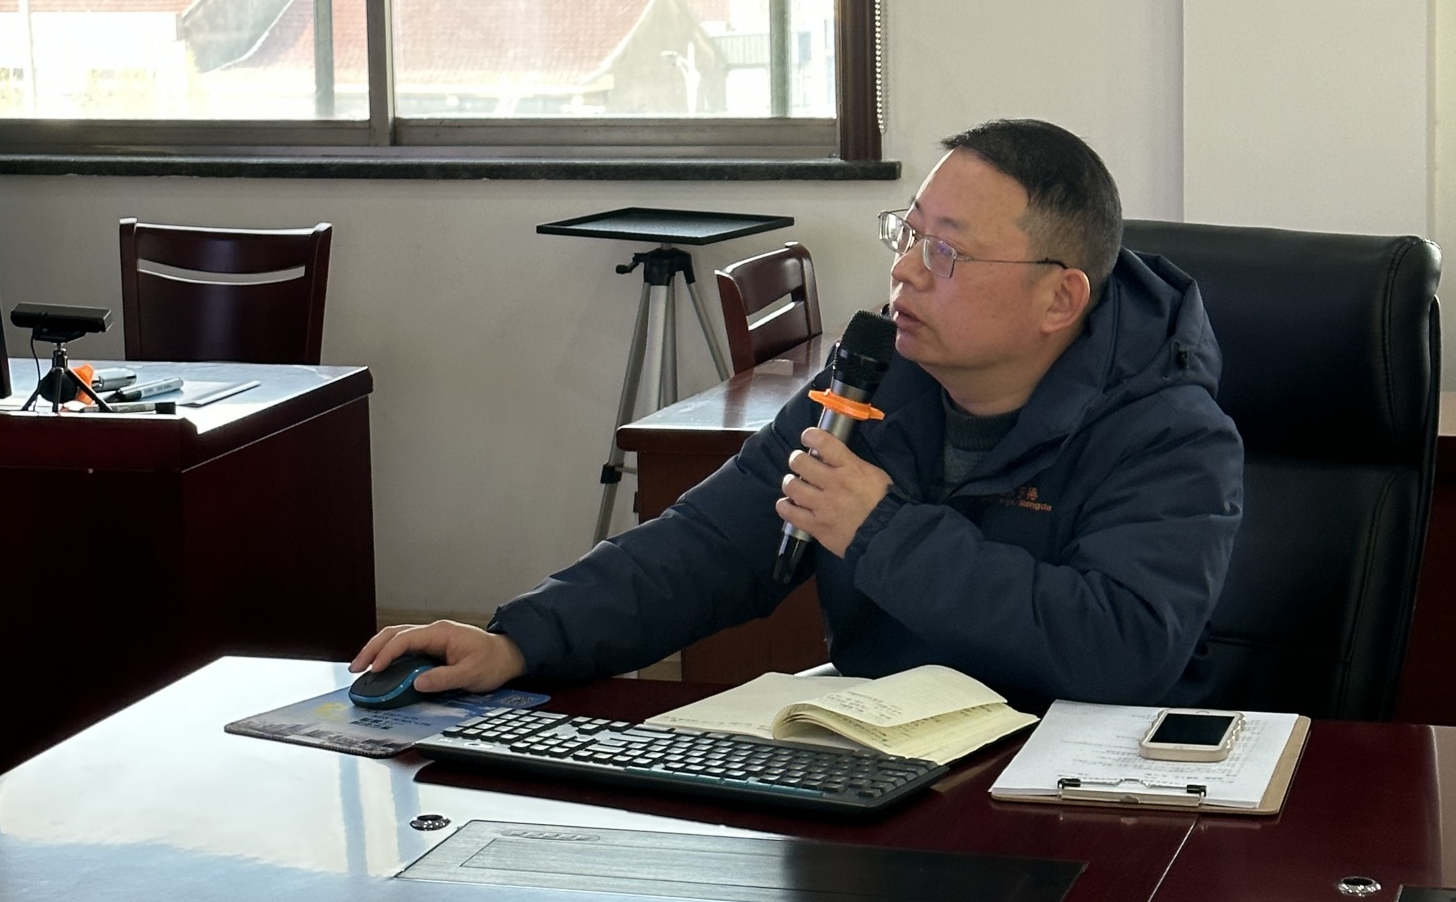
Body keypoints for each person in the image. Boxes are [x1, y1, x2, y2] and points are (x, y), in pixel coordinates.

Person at [352, 118, 1244, 707]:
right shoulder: (871, 385)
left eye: (946, 253)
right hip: (883, 760)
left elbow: (1121, 651)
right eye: (908, 234)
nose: (904, 270)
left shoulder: (1168, 434)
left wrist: (881, 532)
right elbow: (710, 546)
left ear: (1060, 299)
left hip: (1079, 791)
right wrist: (519, 640)